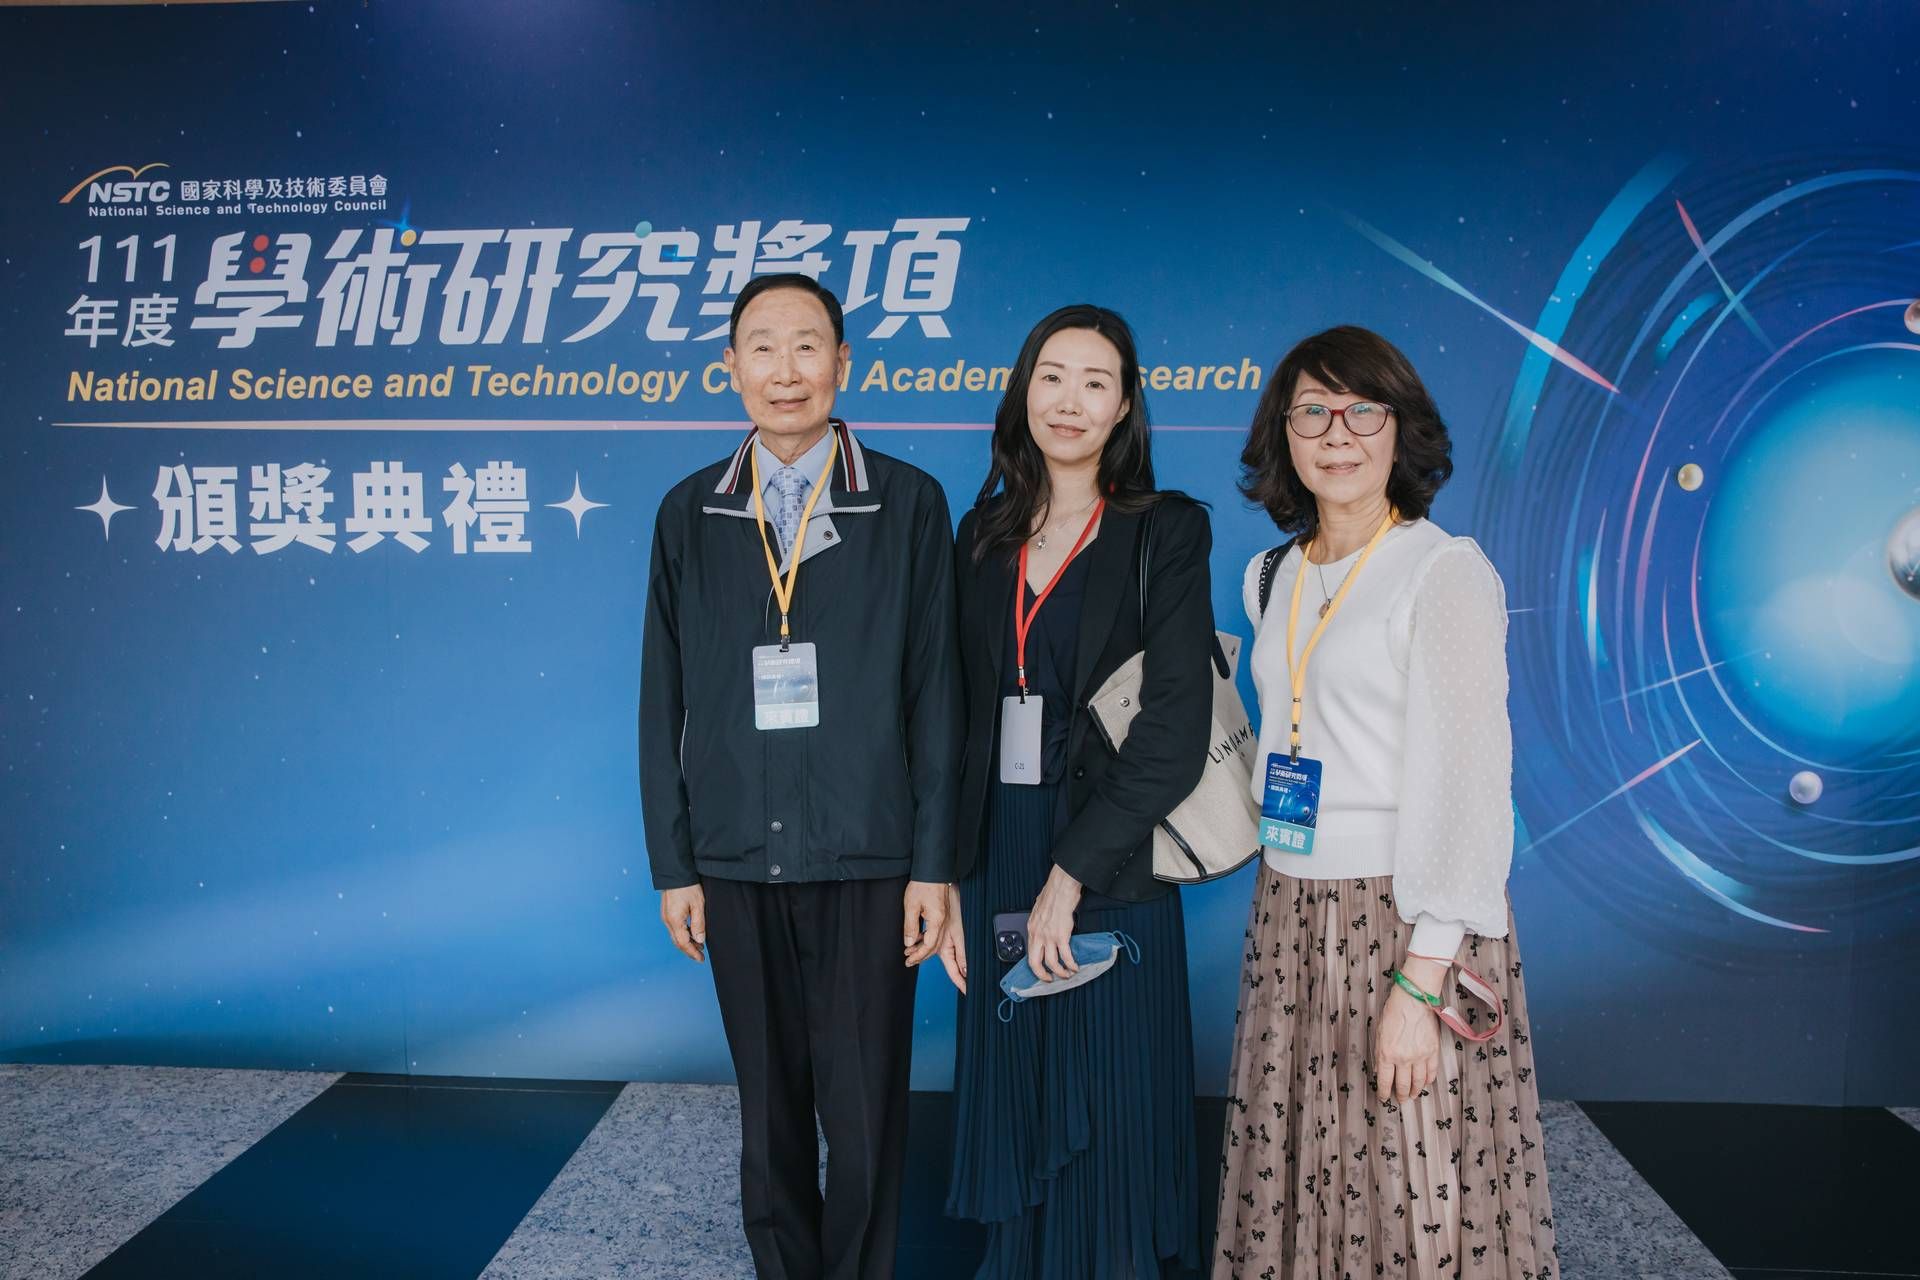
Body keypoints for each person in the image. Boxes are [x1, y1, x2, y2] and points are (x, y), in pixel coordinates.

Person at [1212, 325, 1557, 1279]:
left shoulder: (1443, 571)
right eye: (1313, 412)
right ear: (1283, 433)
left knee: (1413, 1179)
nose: (1338, 434)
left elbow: (1472, 786)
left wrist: (1424, 978)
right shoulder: (1271, 576)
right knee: (1302, 1168)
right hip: (1289, 909)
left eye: (1363, 411)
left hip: (1400, 917)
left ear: (1401, 430)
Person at [639, 273, 962, 1280]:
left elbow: (939, 696)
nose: (787, 370)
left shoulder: (906, 502)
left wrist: (933, 864)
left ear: (844, 363)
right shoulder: (690, 511)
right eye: (763, 346)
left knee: (863, 1112)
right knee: (767, 1107)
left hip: (870, 857)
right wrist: (674, 865)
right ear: (730, 367)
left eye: (808, 344)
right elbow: (660, 700)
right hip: (735, 857)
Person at [936, 304, 1212, 1279]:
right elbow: (953, 719)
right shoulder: (981, 534)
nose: (1070, 399)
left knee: (1109, 1088)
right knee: (1018, 1075)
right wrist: (948, 879)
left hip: (1108, 845)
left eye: (1097, 382)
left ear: (1124, 405)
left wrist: (1070, 874)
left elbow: (1174, 731)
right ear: (1024, 390)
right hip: (997, 841)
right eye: (1052, 376)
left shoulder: (1163, 530)